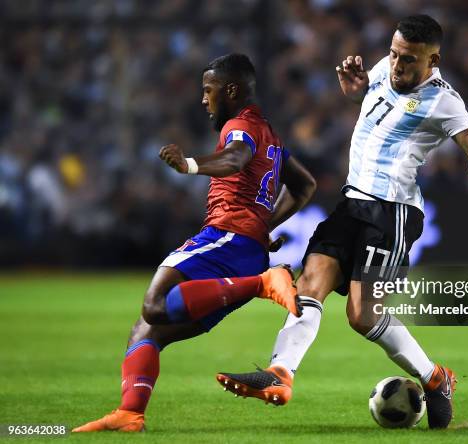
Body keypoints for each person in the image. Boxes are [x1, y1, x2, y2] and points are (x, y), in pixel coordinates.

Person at [217, 16, 468, 429]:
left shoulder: (445, 100)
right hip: (351, 203)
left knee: (363, 316)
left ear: (433, 59)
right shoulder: (383, 69)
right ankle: (280, 374)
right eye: (393, 54)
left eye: (408, 59)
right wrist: (356, 93)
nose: (397, 65)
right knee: (308, 285)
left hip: (393, 214)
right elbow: (372, 104)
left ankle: (437, 378)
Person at [73, 53, 316, 432]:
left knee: (154, 304)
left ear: (231, 90)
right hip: (244, 247)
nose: (204, 100)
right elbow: (304, 185)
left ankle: (265, 283)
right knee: (147, 329)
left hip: (225, 238)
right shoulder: (270, 134)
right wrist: (262, 223)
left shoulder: (240, 125)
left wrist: (188, 164)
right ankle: (130, 413)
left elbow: (235, 158)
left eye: (209, 90)